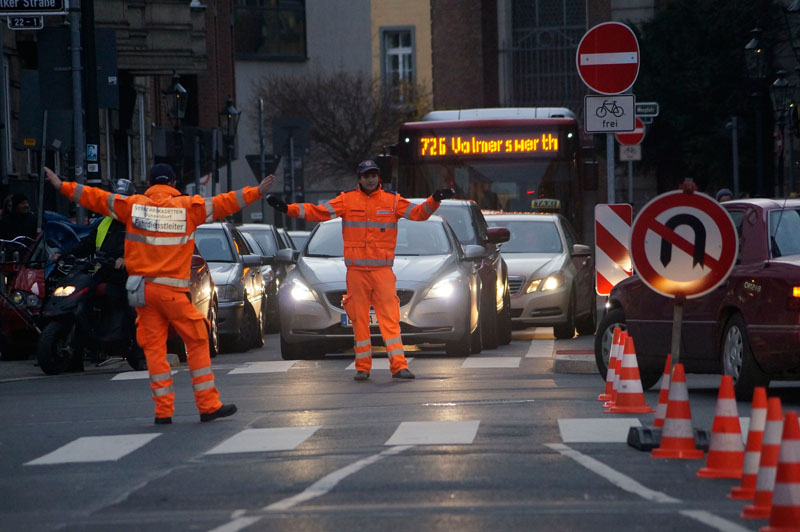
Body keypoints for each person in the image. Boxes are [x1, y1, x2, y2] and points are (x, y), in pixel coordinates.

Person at [45, 163, 275, 424]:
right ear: (174, 183)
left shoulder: (133, 206)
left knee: (154, 348)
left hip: (142, 291)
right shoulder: (188, 207)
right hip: (172, 291)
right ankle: (208, 404)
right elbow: (225, 202)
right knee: (198, 338)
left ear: (150, 183)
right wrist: (256, 191)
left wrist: (61, 185)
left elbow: (96, 198)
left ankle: (163, 411)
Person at [266, 159, 454, 381]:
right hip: (356, 272)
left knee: (390, 321)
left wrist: (435, 199)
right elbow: (318, 213)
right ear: (359, 179)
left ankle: (399, 366)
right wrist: (287, 209)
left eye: (373, 175)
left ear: (378, 177)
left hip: (382, 272)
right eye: (366, 175)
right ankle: (363, 367)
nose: (371, 179)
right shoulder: (347, 200)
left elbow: (419, 213)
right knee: (359, 321)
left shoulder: (392, 201)